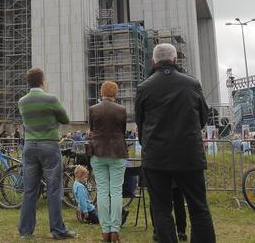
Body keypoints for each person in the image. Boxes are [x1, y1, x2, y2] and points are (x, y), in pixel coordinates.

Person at [135, 44, 215, 243]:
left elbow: (140, 123)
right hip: (189, 154)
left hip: (156, 156)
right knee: (198, 207)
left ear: (153, 61)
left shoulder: (144, 88)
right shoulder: (192, 84)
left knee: (161, 208)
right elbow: (203, 117)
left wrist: (149, 141)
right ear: (175, 59)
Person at [17, 67, 75, 240]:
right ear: (42, 81)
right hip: (49, 145)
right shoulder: (51, 99)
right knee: (54, 189)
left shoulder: (22, 101)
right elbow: (65, 119)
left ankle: (25, 231)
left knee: (29, 190)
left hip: (29, 146)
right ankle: (58, 230)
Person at [89, 81, 128, 242]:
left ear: (101, 92)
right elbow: (123, 130)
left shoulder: (93, 109)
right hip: (118, 152)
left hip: (98, 152)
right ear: (115, 93)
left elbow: (92, 129)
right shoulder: (121, 110)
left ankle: (105, 231)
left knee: (103, 191)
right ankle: (115, 231)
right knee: (116, 192)